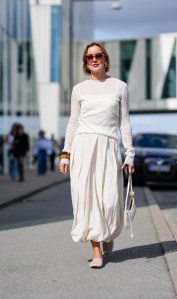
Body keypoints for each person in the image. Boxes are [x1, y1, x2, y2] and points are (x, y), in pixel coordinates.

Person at [59, 42, 135, 269]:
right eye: (89, 56)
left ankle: (108, 234)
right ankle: (96, 251)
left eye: (98, 55)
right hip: (83, 146)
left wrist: (130, 154)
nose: (94, 59)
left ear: (105, 58)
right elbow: (73, 122)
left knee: (110, 201)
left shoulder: (119, 86)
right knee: (87, 200)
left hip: (109, 147)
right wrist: (66, 153)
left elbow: (125, 122)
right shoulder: (78, 90)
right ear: (85, 62)